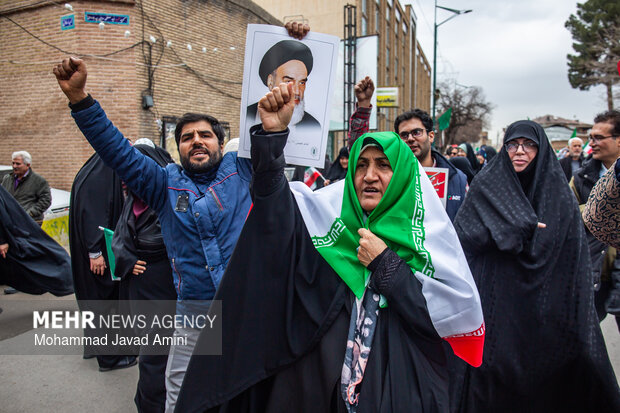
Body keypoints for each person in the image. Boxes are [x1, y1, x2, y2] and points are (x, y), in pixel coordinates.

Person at [52, 23, 320, 406]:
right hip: (194, 310)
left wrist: (292, 38)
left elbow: (280, 142)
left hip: (249, 302)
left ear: (220, 143)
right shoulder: (162, 183)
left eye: (205, 135)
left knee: (257, 391)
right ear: (177, 148)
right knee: (179, 394)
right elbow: (116, 150)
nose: (196, 141)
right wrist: (80, 99)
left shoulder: (242, 169)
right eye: (186, 137)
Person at [176, 82, 484, 413]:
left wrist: (385, 264)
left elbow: (438, 320)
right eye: (361, 165)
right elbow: (275, 214)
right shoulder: (327, 225)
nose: (369, 176)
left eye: (383, 165)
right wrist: (271, 139)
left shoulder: (427, 238)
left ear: (402, 175)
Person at [451, 120, 620, 412]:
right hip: (497, 305)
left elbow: (572, 256)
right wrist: (506, 228)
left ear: (541, 150)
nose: (520, 151)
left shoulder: (558, 194)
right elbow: (464, 234)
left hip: (546, 307)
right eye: (513, 144)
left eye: (529, 145)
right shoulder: (487, 186)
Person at [112, 141, 177, 413]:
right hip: (142, 289)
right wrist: (128, 259)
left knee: (159, 355)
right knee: (151, 352)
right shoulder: (133, 199)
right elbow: (120, 238)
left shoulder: (172, 198)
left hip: (166, 289)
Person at [348, 77, 468, 222]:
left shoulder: (457, 179)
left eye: (417, 132)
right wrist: (363, 106)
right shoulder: (391, 177)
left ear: (431, 136)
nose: (410, 139)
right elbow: (359, 151)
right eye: (404, 135)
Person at [69, 151, 134, 371]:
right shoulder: (101, 177)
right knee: (104, 305)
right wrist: (95, 253)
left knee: (93, 302)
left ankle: (94, 347)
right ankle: (110, 359)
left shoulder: (93, 171)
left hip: (89, 252)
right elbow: (93, 216)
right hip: (98, 255)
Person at [569, 110, 620, 323]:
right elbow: (567, 213)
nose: (592, 143)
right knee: (586, 331)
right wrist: (595, 209)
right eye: (590, 138)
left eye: (598, 138)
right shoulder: (581, 177)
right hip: (593, 268)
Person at [0, 185, 72, 296]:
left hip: (19, 228)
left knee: (32, 261)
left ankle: (69, 279)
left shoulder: (37, 182)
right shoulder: (8, 181)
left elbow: (3, 215)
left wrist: (2, 241)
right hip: (16, 228)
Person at [246, 23, 319, 132]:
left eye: (302, 83)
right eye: (289, 81)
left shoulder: (313, 125)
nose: (297, 91)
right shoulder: (249, 114)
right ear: (270, 81)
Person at [1, 151, 51, 225]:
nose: (14, 166)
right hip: (10, 221)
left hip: (29, 223)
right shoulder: (7, 179)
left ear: (28, 165)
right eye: (13, 163)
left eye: (18, 164)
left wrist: (29, 214)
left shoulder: (39, 181)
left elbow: (46, 201)